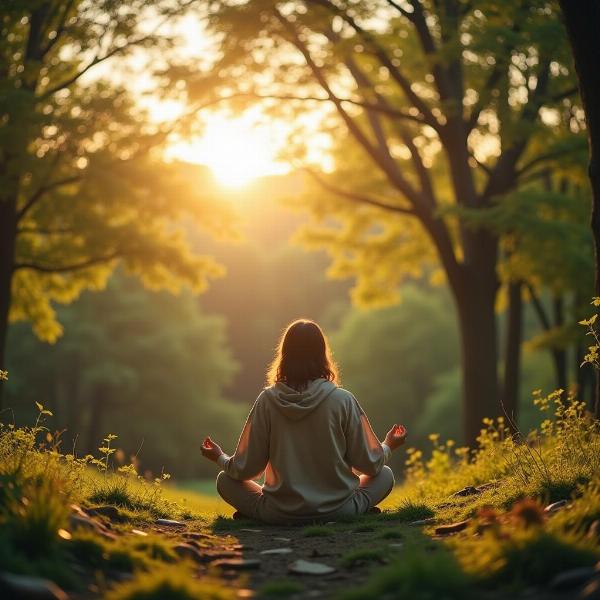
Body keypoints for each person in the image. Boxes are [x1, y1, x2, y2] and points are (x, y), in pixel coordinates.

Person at [200, 319, 407, 524]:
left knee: (225, 480)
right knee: (385, 475)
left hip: (279, 513)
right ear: (322, 354)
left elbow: (247, 469)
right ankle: (356, 511)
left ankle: (258, 515)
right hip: (340, 510)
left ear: (285, 355)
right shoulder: (343, 399)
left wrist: (220, 457)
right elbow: (370, 465)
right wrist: (388, 445)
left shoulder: (266, 401)